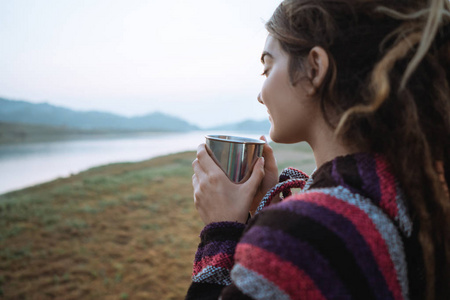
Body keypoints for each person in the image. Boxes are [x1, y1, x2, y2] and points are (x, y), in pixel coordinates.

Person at [186, 0, 450, 299]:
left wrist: (221, 231)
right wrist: (269, 209)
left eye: (268, 67)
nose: (260, 95)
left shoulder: (303, 235)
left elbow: (313, 246)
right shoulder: (413, 188)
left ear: (314, 69)